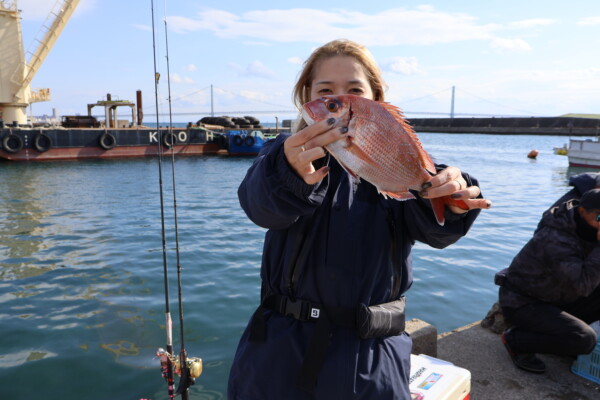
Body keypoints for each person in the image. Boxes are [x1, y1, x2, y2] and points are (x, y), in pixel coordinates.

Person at [228, 39, 491, 400]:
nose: (336, 103)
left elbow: (433, 227)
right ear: (307, 97)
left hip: (374, 363)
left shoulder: (393, 160)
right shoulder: (280, 155)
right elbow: (259, 205)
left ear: (374, 99)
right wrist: (287, 173)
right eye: (325, 92)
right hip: (280, 357)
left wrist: (454, 197)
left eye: (353, 91)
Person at [496, 186, 600, 374]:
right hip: (523, 303)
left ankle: (562, 340)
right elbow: (583, 285)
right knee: (584, 339)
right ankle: (516, 341)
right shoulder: (557, 237)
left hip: (555, 296)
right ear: (582, 211)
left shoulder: (587, 228)